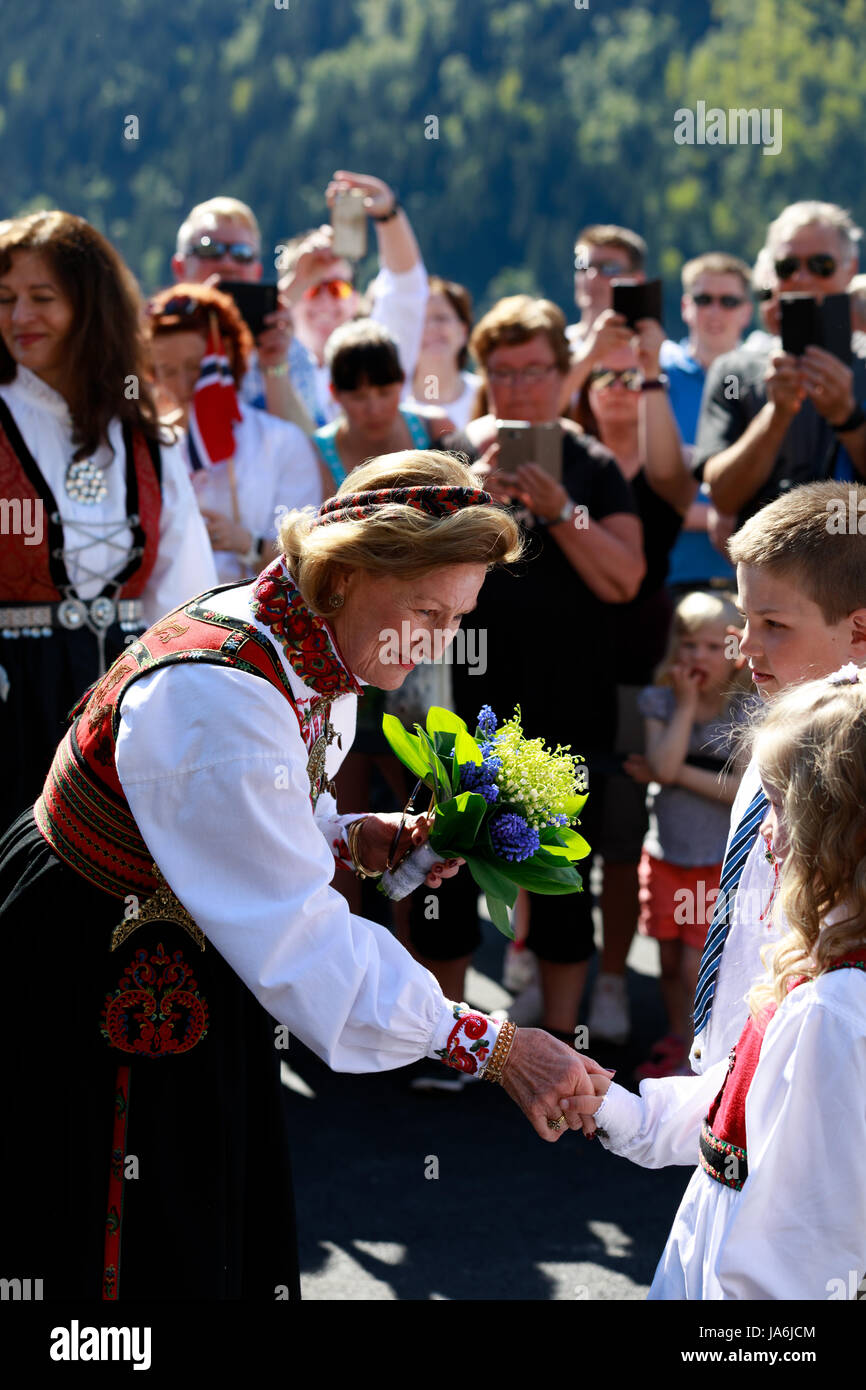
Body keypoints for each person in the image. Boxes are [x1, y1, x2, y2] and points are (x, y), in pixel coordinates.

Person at [0, 449, 611, 1300]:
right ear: (349, 573)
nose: (440, 640)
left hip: (181, 945)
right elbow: (300, 946)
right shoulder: (221, 695)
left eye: (457, 614)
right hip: (103, 963)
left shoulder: (302, 638)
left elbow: (262, 813)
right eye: (428, 611)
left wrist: (352, 834)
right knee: (128, 1239)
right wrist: (496, 1045)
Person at [559, 671, 866, 1300]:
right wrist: (625, 1111)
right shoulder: (818, 973)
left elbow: (802, 1249)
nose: (768, 835)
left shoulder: (835, 1012)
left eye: (783, 810)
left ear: (843, 833)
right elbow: (743, 1109)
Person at [412, 295, 644, 1062]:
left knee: (563, 881)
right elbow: (413, 572)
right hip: (466, 706)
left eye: (535, 371)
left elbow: (625, 580)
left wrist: (564, 509)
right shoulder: (458, 461)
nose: (518, 388)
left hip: (567, 703)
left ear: (560, 372)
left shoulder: (593, 464)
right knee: (445, 870)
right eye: (502, 373)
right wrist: (472, 502)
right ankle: (446, 1045)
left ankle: (557, 1047)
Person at [0, 210, 216, 833]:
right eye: (6, 299)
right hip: (11, 696)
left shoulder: (144, 437)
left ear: (89, 305)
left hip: (121, 704)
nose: (19, 318)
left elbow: (183, 592)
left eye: (43, 297)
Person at [688, 480, 866, 1076]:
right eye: (744, 618)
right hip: (737, 1074)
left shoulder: (851, 776)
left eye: (773, 625)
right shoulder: (779, 730)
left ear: (859, 632)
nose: (746, 647)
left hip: (806, 1076)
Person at [570, 327, 694, 1045]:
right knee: (543, 825)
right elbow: (532, 413)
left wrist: (648, 369)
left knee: (618, 840)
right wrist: (584, 358)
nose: (618, 390)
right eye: (603, 379)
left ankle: (612, 979)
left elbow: (679, 477)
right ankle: (533, 960)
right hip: (558, 665)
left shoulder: (660, 475)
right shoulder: (568, 461)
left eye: (633, 380)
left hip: (633, 672)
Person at [630, 591, 750, 1079]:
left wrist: (675, 773)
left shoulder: (745, 711)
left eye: (710, 647)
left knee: (694, 964)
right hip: (664, 854)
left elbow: (741, 788)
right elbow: (660, 763)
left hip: (713, 862)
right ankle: (681, 1036)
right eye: (688, 644)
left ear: (736, 653)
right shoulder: (661, 700)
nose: (697, 656)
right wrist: (684, 705)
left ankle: (701, 1054)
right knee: (667, 960)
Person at [696, 201, 866, 531]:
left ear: (850, 268)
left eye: (821, 264)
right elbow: (723, 496)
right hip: (768, 571)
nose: (802, 278)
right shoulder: (734, 371)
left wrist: (847, 418)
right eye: (787, 266)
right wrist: (776, 416)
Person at [145, 282, 330, 581]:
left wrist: (248, 543)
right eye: (167, 370)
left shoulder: (283, 442)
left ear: (226, 355)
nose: (183, 384)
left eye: (196, 367)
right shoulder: (149, 446)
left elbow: (309, 559)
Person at [272, 171, 429, 428]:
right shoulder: (268, 358)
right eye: (311, 288)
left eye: (336, 289)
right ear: (290, 293)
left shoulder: (380, 349)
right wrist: (297, 281)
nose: (325, 301)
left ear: (355, 298)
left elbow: (406, 285)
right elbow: (246, 330)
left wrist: (388, 215)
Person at [660, 253, 753, 593]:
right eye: (703, 300)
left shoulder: (767, 378)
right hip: (669, 573)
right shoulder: (655, 376)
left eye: (728, 301)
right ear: (686, 306)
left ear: (747, 311)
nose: (714, 312)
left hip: (751, 577)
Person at [171, 195, 305, 428]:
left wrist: (275, 366)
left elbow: (311, 449)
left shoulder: (288, 348)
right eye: (209, 249)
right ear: (180, 268)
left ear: (256, 270)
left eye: (242, 253)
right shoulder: (150, 342)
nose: (228, 263)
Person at [314, 319, 446, 488]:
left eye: (385, 393)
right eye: (359, 397)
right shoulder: (318, 455)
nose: (374, 410)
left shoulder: (436, 429)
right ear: (335, 392)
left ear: (402, 381)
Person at [405, 276, 482, 430]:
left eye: (441, 318)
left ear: (463, 330)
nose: (431, 328)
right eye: (420, 320)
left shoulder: (485, 395)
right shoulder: (393, 401)